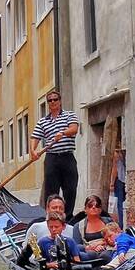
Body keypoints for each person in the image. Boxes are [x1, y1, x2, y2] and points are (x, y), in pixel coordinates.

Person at [30, 90, 80, 219]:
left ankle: (67, 217)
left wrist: (62, 133)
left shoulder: (69, 115)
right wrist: (33, 151)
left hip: (67, 157)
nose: (53, 102)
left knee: (70, 189)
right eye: (50, 100)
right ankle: (52, 217)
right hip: (51, 158)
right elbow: (35, 137)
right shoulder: (43, 121)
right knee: (51, 190)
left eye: (55, 99)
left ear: (60, 101)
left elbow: (74, 129)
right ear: (48, 103)